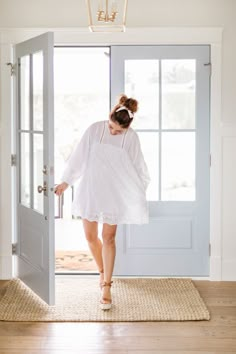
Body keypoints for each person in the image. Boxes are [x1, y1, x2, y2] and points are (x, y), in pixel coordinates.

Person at [55, 94, 151, 310]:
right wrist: (65, 182)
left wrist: (135, 194)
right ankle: (101, 271)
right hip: (91, 190)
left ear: (127, 128)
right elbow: (78, 157)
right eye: (111, 127)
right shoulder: (95, 129)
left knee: (108, 238)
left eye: (118, 131)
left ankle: (107, 286)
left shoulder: (131, 138)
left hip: (114, 194)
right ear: (109, 117)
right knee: (90, 237)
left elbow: (138, 168)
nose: (113, 132)